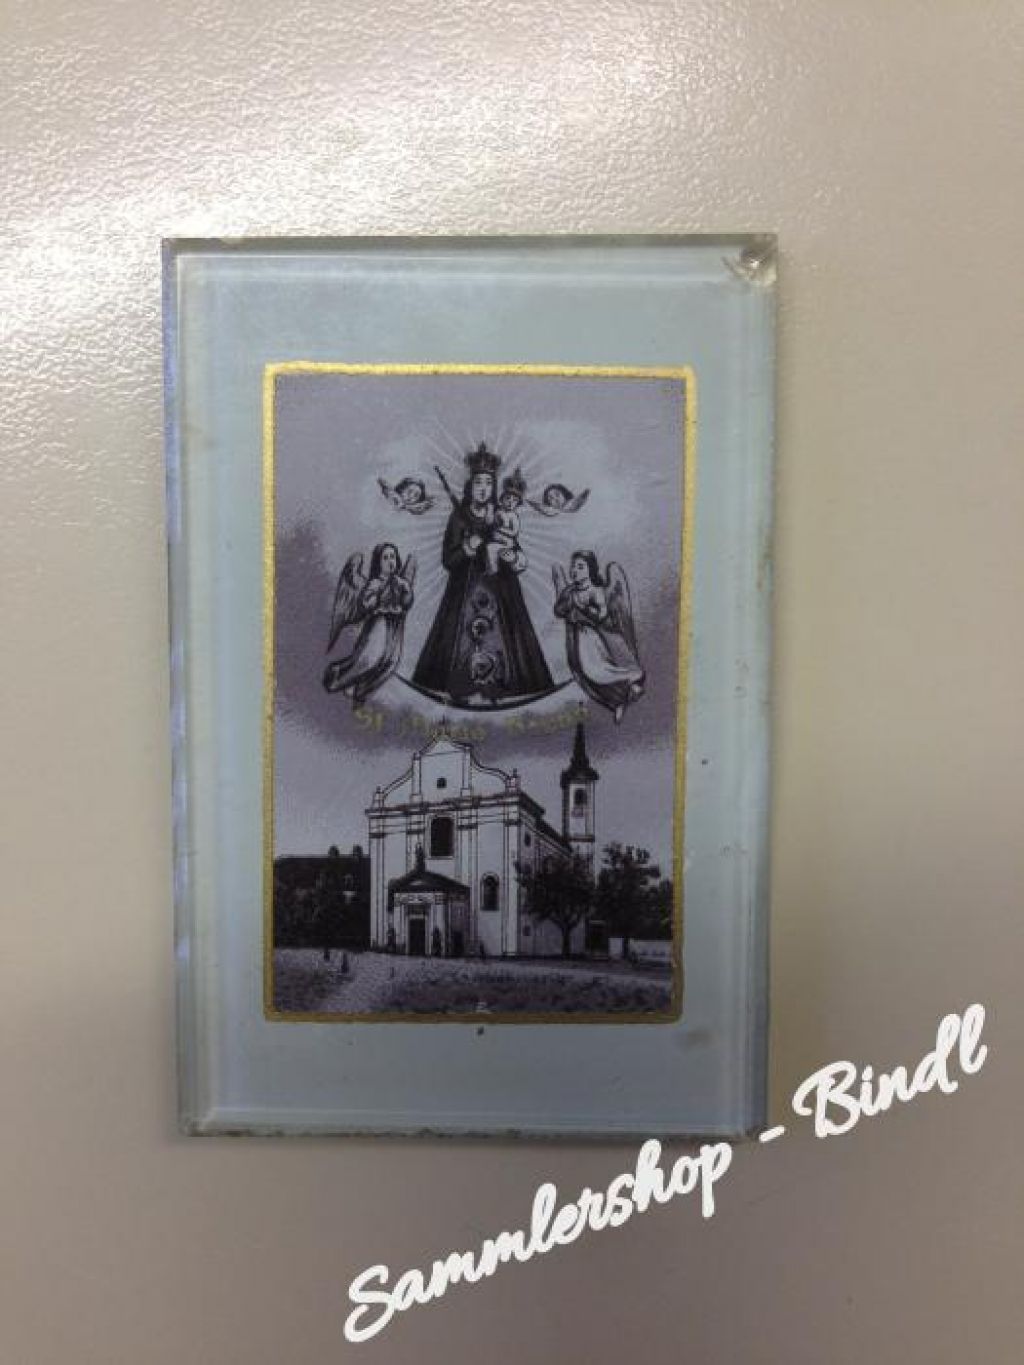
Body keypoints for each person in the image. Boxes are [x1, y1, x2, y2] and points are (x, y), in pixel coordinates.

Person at [412, 444, 553, 706]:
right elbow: (448, 560)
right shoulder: (458, 517)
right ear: (470, 485)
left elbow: (514, 548)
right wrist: (468, 545)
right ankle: (461, 690)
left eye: (488, 483)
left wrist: (513, 556)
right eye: (479, 483)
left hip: (501, 588)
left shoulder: (500, 514)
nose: (483, 489)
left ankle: (501, 692)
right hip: (463, 591)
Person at [553, 551, 645, 723]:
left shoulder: (595, 591)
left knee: (596, 671)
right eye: (573, 566)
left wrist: (584, 610)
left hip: (592, 640)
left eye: (580, 567)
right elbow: (558, 610)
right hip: (578, 640)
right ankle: (617, 701)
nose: (574, 570)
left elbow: (602, 615)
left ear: (591, 570)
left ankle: (632, 679)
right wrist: (566, 605)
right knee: (586, 674)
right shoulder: (570, 591)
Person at [324, 542, 415, 704]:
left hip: (394, 627)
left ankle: (360, 690)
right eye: (385, 558)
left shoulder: (400, 582)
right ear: (378, 563)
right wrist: (378, 596)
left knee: (391, 662)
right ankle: (337, 676)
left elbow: (406, 604)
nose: (390, 561)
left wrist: (407, 592)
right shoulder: (375, 583)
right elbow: (365, 603)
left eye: (392, 557)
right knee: (369, 660)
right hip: (378, 624)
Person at [487, 468, 528, 575]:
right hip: (495, 541)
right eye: (508, 498)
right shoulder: (498, 511)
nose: (510, 502)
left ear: (517, 504)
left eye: (514, 500)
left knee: (497, 551)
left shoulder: (513, 516)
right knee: (490, 548)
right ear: (502, 499)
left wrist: (500, 529)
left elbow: (514, 532)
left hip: (507, 543)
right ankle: (493, 568)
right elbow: (491, 523)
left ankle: (494, 569)